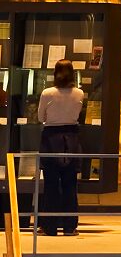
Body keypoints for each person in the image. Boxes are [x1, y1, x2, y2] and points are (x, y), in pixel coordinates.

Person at [37, 60, 85, 237]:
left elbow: (41, 116)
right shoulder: (79, 93)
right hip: (71, 138)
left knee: (50, 184)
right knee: (70, 184)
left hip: (51, 138)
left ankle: (49, 226)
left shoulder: (47, 93)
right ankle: (69, 226)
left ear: (55, 73)